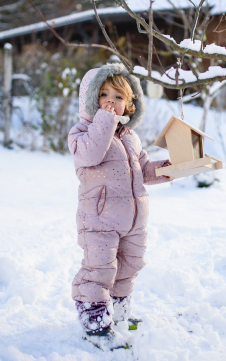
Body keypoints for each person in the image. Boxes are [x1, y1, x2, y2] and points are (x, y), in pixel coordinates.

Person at [68, 63, 172, 350]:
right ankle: (95, 324)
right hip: (99, 220)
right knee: (99, 269)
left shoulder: (130, 137)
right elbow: (91, 154)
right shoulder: (82, 133)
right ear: (90, 99)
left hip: (133, 220)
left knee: (130, 266)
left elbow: (143, 170)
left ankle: (120, 314)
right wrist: (105, 119)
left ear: (129, 104)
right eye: (103, 95)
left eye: (118, 96)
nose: (111, 101)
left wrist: (167, 169)